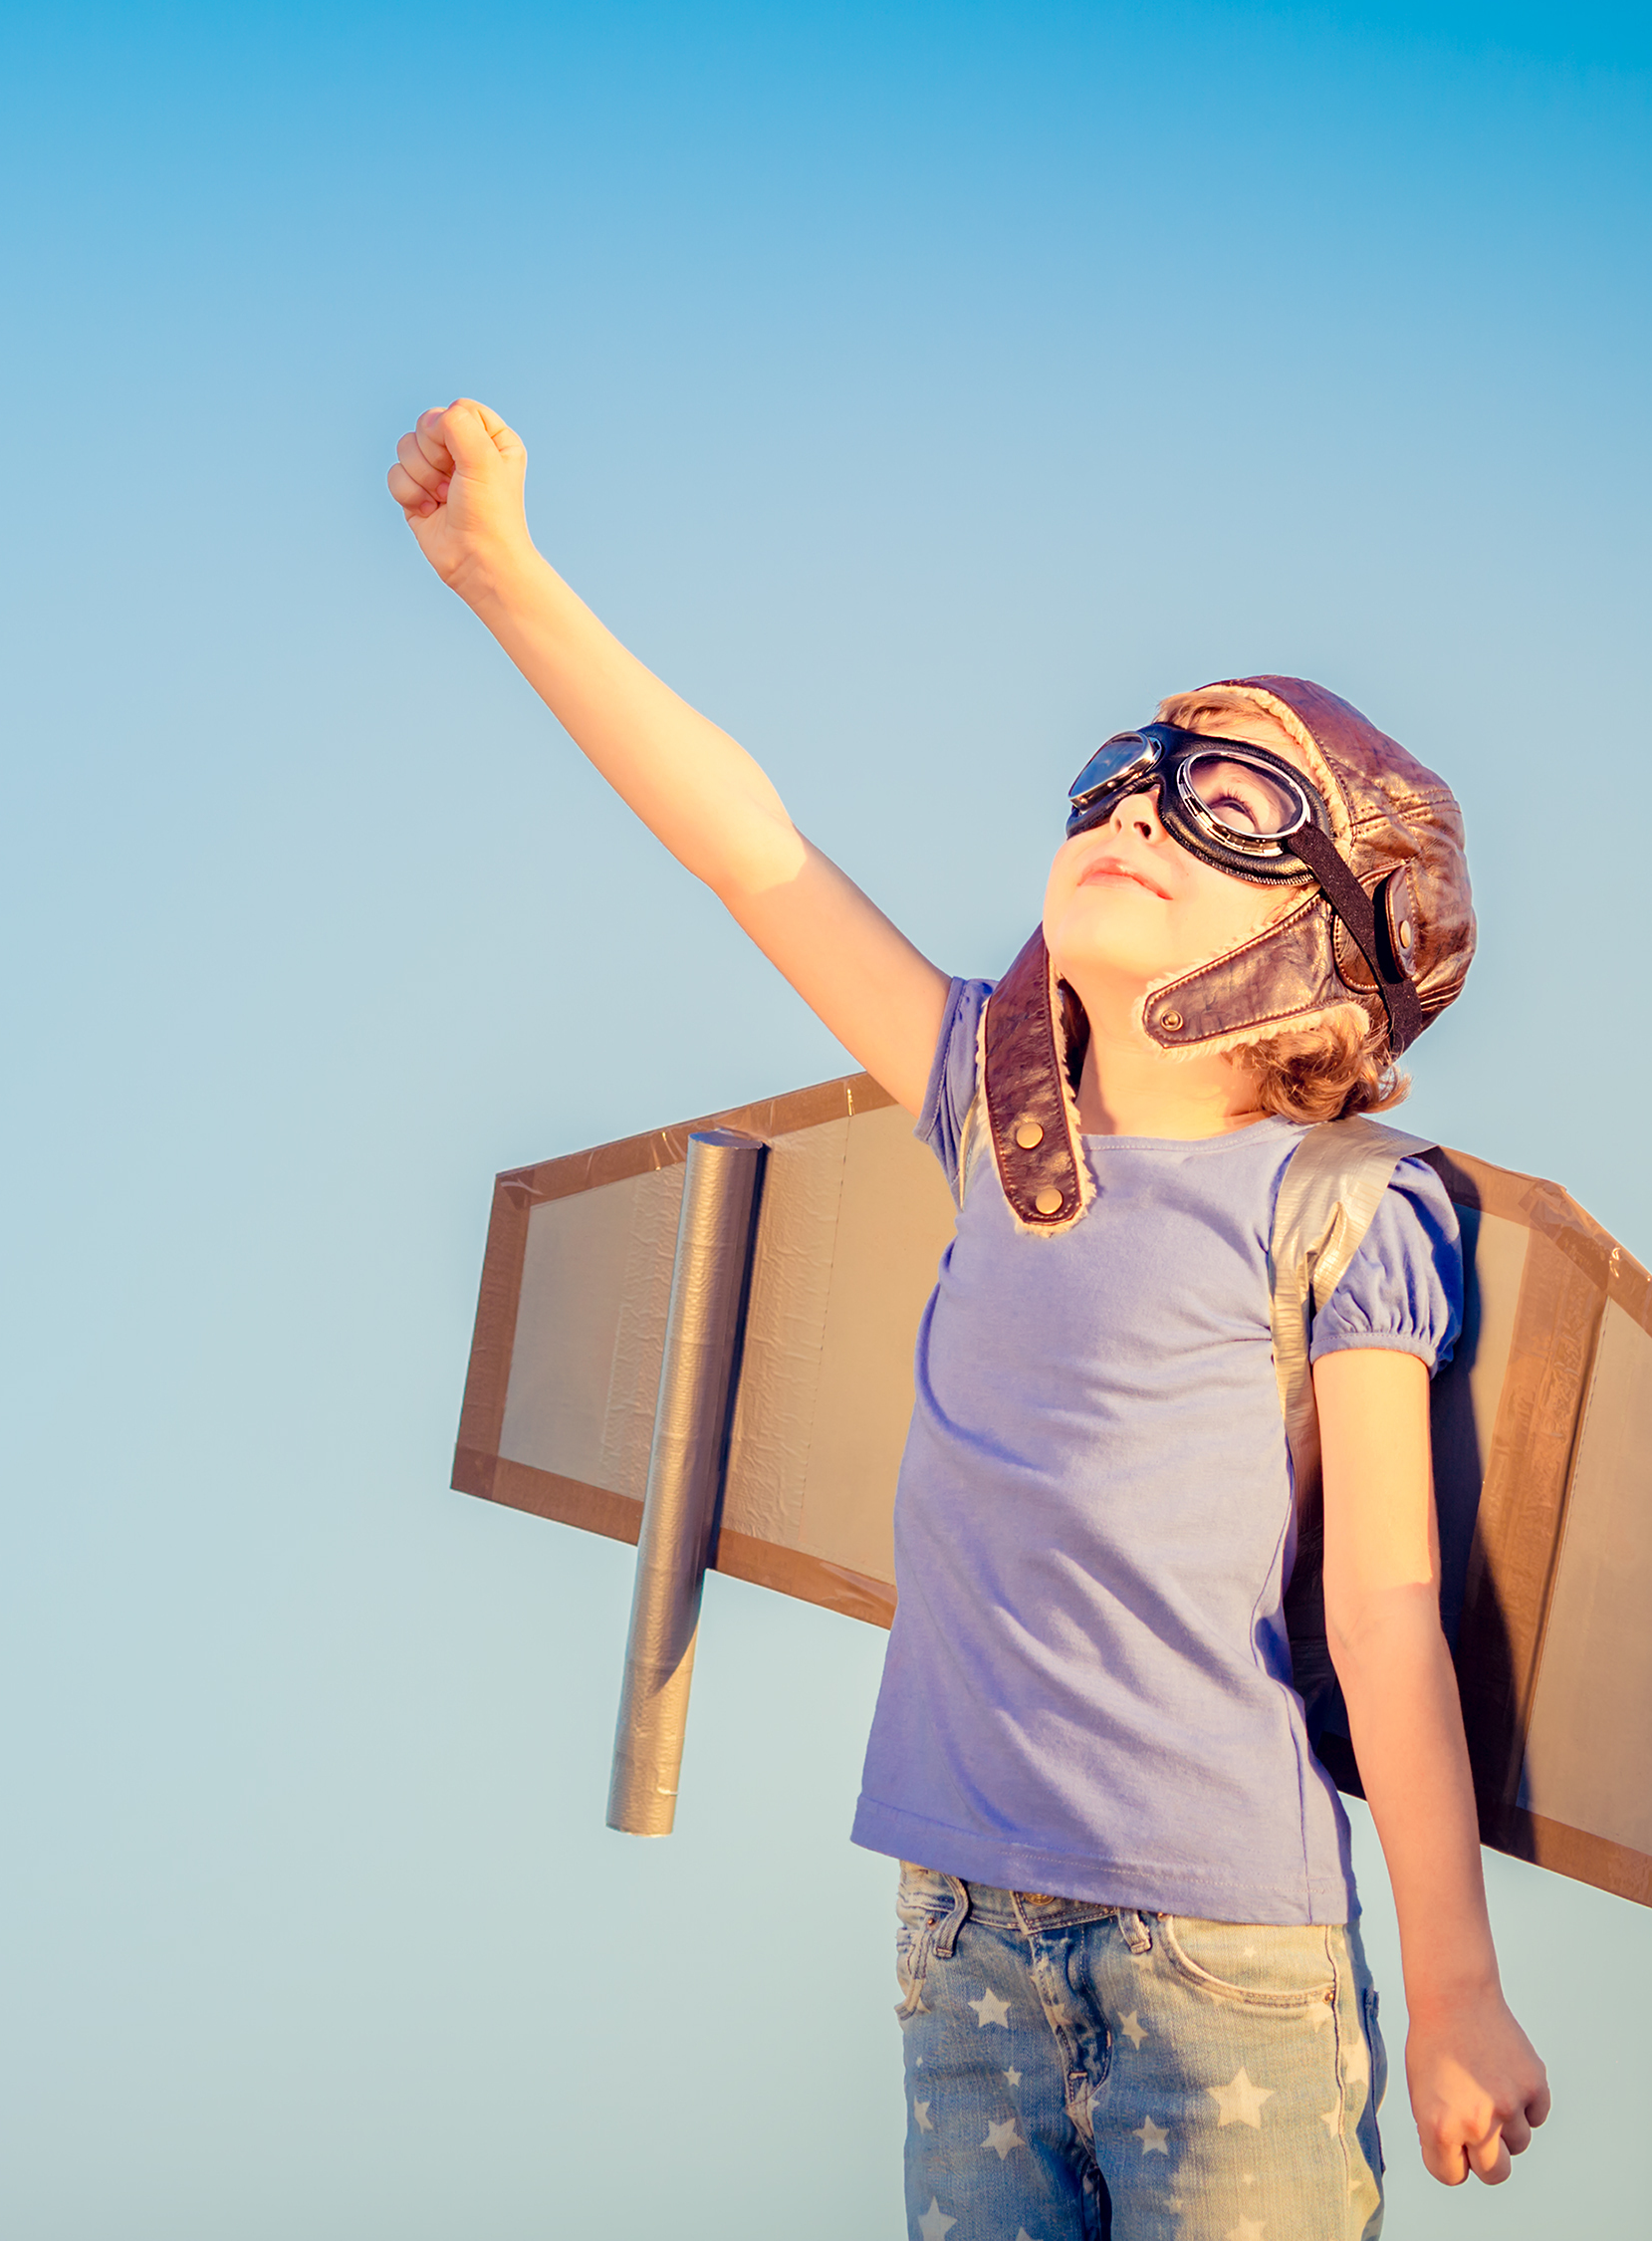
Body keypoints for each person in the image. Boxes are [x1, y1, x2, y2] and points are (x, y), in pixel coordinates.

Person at [387, 397, 1549, 2236]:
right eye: (1119, 774)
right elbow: (751, 848)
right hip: (956, 1927)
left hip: (1223, 1953)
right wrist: (508, 581)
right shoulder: (985, 1116)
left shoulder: (1339, 1207)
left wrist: (1457, 1978)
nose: (1137, 813)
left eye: (1229, 808)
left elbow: (1387, 1606)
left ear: (1333, 934)